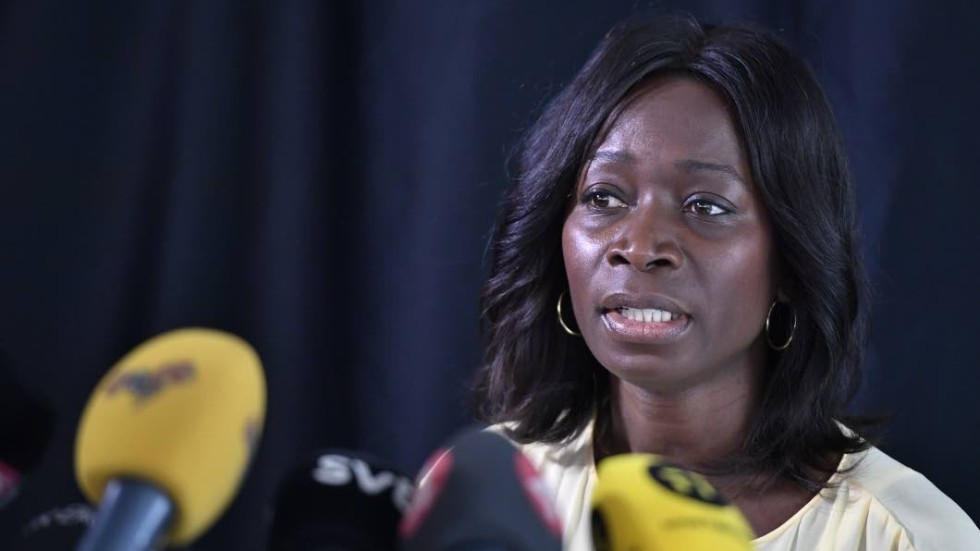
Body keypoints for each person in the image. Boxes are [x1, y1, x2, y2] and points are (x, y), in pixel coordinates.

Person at [473, 13, 980, 551]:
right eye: (604, 197)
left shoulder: (905, 536)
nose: (639, 246)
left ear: (791, 263)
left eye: (705, 206)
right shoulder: (492, 497)